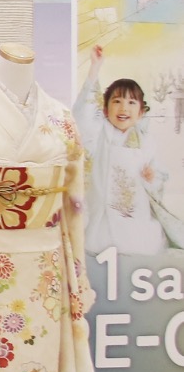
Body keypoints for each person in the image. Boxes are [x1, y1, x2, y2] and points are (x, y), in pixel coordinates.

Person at [75, 49, 176, 255]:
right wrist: (95, 69)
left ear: (140, 113)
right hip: (102, 215)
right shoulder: (99, 133)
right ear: (105, 110)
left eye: (131, 102)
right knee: (98, 245)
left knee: (141, 246)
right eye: (117, 101)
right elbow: (84, 117)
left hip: (134, 214)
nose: (124, 108)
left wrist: (152, 177)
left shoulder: (146, 141)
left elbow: (159, 177)